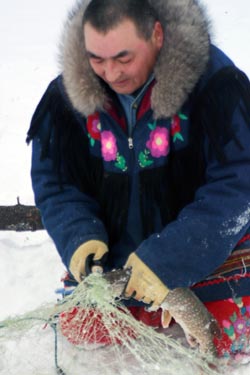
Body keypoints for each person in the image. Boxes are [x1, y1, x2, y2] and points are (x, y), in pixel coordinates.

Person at [27, 0, 250, 359]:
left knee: (229, 339)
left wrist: (172, 258)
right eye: (96, 58)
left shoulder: (218, 86)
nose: (110, 73)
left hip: (203, 251)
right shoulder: (64, 96)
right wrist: (78, 239)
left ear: (157, 35)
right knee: (81, 331)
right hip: (116, 261)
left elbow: (239, 184)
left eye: (123, 58)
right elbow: (56, 182)